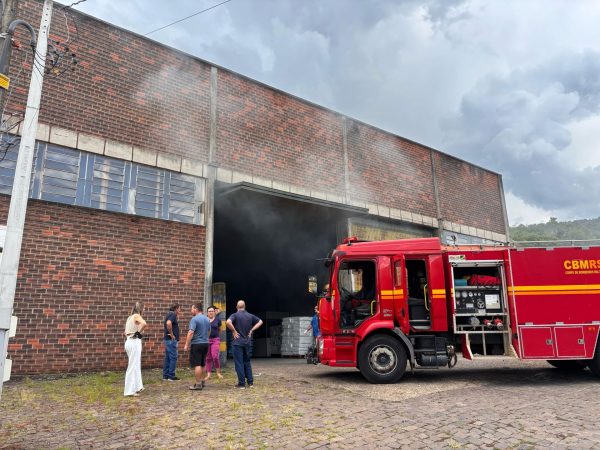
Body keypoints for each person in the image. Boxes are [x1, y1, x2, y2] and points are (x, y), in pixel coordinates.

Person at [226, 300, 263, 389]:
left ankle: (241, 384)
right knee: (247, 362)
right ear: (245, 306)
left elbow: (228, 322)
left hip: (237, 343)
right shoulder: (250, 316)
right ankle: (250, 383)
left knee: (239, 363)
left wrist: (234, 331)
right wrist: (252, 330)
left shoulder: (234, 315)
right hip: (247, 343)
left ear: (236, 307)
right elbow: (260, 321)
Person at [183, 303, 210, 390]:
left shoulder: (194, 319)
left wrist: (186, 344)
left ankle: (198, 384)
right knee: (203, 363)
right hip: (206, 343)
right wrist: (205, 338)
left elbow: (191, 332)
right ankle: (202, 381)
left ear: (196, 309)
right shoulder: (207, 319)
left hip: (197, 344)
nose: (191, 311)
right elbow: (209, 331)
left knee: (197, 364)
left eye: (192, 309)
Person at [124, 302, 147, 397]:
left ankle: (136, 387)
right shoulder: (137, 316)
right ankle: (129, 391)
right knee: (133, 366)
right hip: (134, 343)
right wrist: (138, 333)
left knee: (135, 365)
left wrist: (137, 334)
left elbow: (125, 333)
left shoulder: (130, 317)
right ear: (140, 309)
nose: (145, 310)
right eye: (144, 308)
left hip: (129, 341)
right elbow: (144, 324)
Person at [162, 303, 181, 381]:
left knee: (168, 357)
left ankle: (165, 376)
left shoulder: (169, 314)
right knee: (173, 357)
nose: (180, 311)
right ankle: (171, 376)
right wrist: (172, 335)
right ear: (176, 309)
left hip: (167, 339)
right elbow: (168, 323)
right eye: (179, 309)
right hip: (171, 340)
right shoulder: (173, 314)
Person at [205, 305, 223, 381]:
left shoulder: (218, 320)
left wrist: (217, 336)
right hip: (206, 340)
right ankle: (208, 374)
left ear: (214, 312)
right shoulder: (205, 320)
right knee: (208, 358)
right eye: (209, 311)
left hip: (215, 340)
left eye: (212, 311)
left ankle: (218, 373)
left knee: (215, 356)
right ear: (207, 313)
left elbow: (220, 329)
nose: (211, 312)